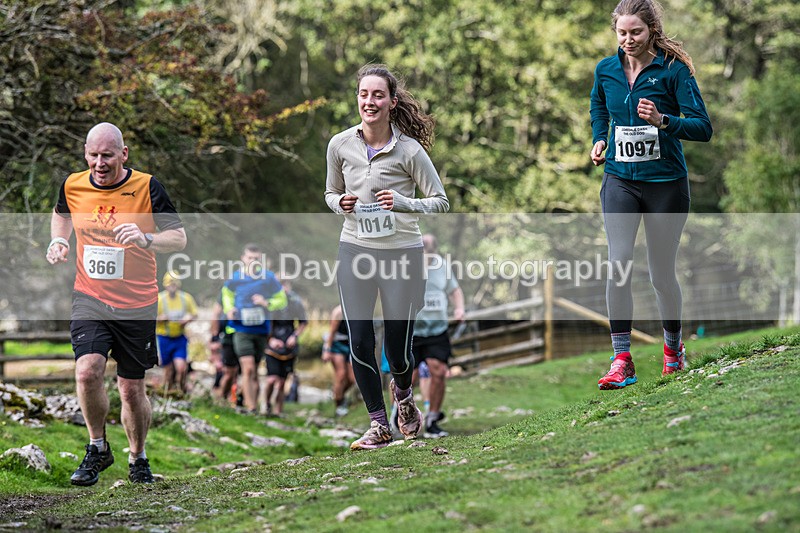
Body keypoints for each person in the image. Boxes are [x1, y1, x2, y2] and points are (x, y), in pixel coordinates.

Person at [46, 122, 187, 486]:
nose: (99, 163)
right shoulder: (73, 184)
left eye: (107, 155)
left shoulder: (146, 186)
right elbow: (61, 214)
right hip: (90, 297)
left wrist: (146, 237)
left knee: (130, 388)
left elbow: (179, 237)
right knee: (87, 371)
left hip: (137, 304)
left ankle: (138, 457)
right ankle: (97, 447)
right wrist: (59, 241)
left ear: (123, 154)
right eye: (92, 155)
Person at [325, 64, 449, 449]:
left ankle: (405, 398)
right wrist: (340, 203)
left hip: (402, 255)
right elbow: (329, 193)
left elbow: (441, 202)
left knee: (397, 349)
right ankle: (379, 424)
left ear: (392, 102)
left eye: (378, 95)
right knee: (359, 341)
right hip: (355, 250)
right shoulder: (340, 144)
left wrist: (403, 203)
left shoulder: (409, 150)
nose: (370, 101)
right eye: (364, 94)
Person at [589, 0, 712, 389]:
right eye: (622, 33)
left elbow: (703, 127)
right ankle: (621, 359)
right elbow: (598, 108)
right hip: (620, 181)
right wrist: (599, 138)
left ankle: (673, 352)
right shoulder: (606, 70)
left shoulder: (673, 72)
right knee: (619, 263)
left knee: (661, 273)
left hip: (666, 186)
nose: (627, 40)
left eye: (635, 33)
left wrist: (663, 121)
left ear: (652, 30)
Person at [223, 244, 287, 414]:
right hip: (240, 328)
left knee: (255, 370)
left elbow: (282, 299)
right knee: (248, 368)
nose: (252, 261)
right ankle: (251, 407)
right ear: (243, 259)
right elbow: (226, 295)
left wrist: (267, 303)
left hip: (261, 329)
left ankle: (251, 404)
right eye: (250, 258)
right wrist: (229, 309)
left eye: (256, 259)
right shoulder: (235, 277)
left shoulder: (268, 278)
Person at [412, 233, 465, 438]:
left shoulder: (443, 265)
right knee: (407, 375)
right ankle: (399, 417)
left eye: (430, 251)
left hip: (436, 328)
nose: (427, 255)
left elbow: (454, 290)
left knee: (439, 370)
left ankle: (432, 418)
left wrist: (459, 309)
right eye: (423, 251)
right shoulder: (407, 265)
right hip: (412, 329)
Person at [264, 279, 308, 416]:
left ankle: (278, 410)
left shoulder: (295, 302)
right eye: (280, 285)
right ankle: (266, 405)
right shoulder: (269, 301)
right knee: (271, 380)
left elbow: (303, 322)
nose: (283, 289)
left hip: (289, 346)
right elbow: (264, 323)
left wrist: (294, 336)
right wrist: (270, 339)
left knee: (282, 382)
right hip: (272, 346)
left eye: (285, 285)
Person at [156, 272, 197, 394]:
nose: (172, 286)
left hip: (179, 337)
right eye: (170, 283)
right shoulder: (159, 299)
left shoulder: (186, 298)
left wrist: (188, 319)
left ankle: (181, 391)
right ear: (165, 285)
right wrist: (160, 318)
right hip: (164, 338)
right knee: (168, 370)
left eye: (174, 283)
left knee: (182, 368)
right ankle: (167, 393)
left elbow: (194, 313)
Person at [321, 305, 356, 418]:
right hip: (336, 344)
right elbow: (331, 332)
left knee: (352, 378)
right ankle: (339, 406)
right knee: (341, 375)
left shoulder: (358, 309)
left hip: (349, 345)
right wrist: (326, 350)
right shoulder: (338, 312)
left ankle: (338, 394)